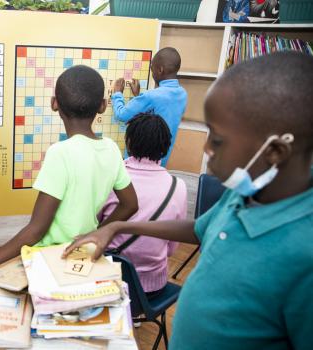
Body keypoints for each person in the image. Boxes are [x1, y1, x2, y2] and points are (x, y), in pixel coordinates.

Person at [64, 52, 313, 349]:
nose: (206, 149)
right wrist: (118, 228)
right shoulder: (244, 194)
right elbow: (198, 229)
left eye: (218, 140)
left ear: (274, 152)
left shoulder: (304, 255)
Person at [0, 65, 139, 278]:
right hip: (84, 255)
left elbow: (36, 229)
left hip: (52, 257)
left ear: (55, 104)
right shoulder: (110, 148)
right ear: (102, 106)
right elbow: (130, 204)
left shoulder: (60, 153)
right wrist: (98, 232)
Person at [98, 113, 186, 298]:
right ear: (165, 146)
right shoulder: (178, 186)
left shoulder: (111, 177)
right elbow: (171, 249)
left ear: (128, 143)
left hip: (107, 281)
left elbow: (94, 226)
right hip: (152, 289)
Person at [111, 47, 187, 166]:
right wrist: (138, 96)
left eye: (152, 69)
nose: (152, 73)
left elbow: (121, 115)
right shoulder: (182, 94)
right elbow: (158, 115)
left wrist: (117, 94)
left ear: (160, 70)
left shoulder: (151, 96)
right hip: (162, 159)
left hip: (140, 161)